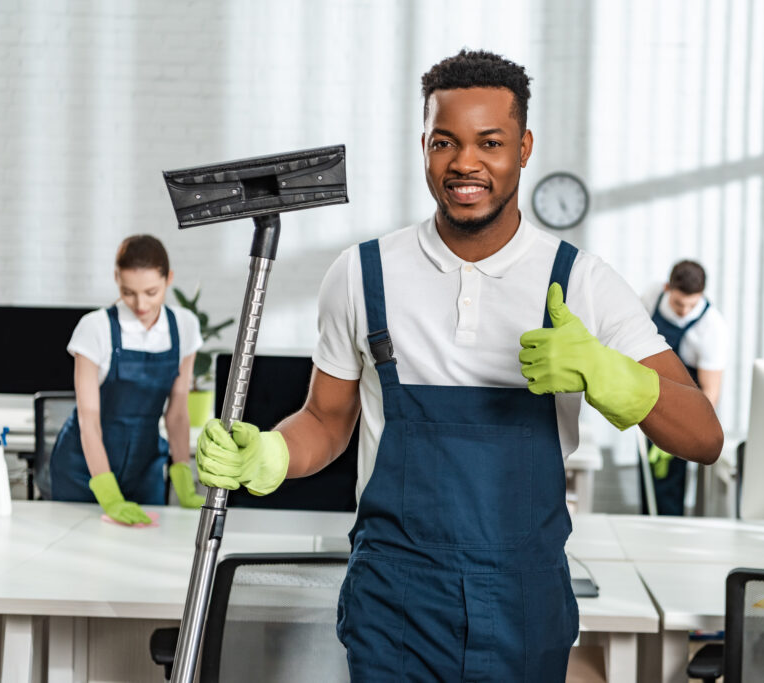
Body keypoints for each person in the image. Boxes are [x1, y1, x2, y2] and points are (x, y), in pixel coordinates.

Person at [196, 49, 722, 681]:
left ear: (524, 148)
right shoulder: (364, 274)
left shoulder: (580, 282)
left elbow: (704, 437)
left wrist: (609, 373)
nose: (465, 163)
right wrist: (272, 455)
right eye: (445, 141)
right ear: (424, 146)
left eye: (490, 142)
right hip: (393, 602)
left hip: (522, 606)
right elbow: (326, 418)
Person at [48, 234, 205, 524]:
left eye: (151, 292)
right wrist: (108, 494)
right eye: (128, 292)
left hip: (145, 468)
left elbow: (177, 412)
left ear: (169, 278)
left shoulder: (184, 326)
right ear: (116, 279)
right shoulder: (94, 328)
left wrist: (183, 474)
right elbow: (88, 419)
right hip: (83, 468)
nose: (140, 304)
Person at [640, 259, 728, 515]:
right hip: (648, 392)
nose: (684, 311)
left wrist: (686, 428)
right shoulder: (652, 296)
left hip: (684, 401)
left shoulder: (713, 328)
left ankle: (667, 532)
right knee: (648, 474)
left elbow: (710, 391)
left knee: (671, 480)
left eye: (691, 304)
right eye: (679, 303)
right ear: (668, 287)